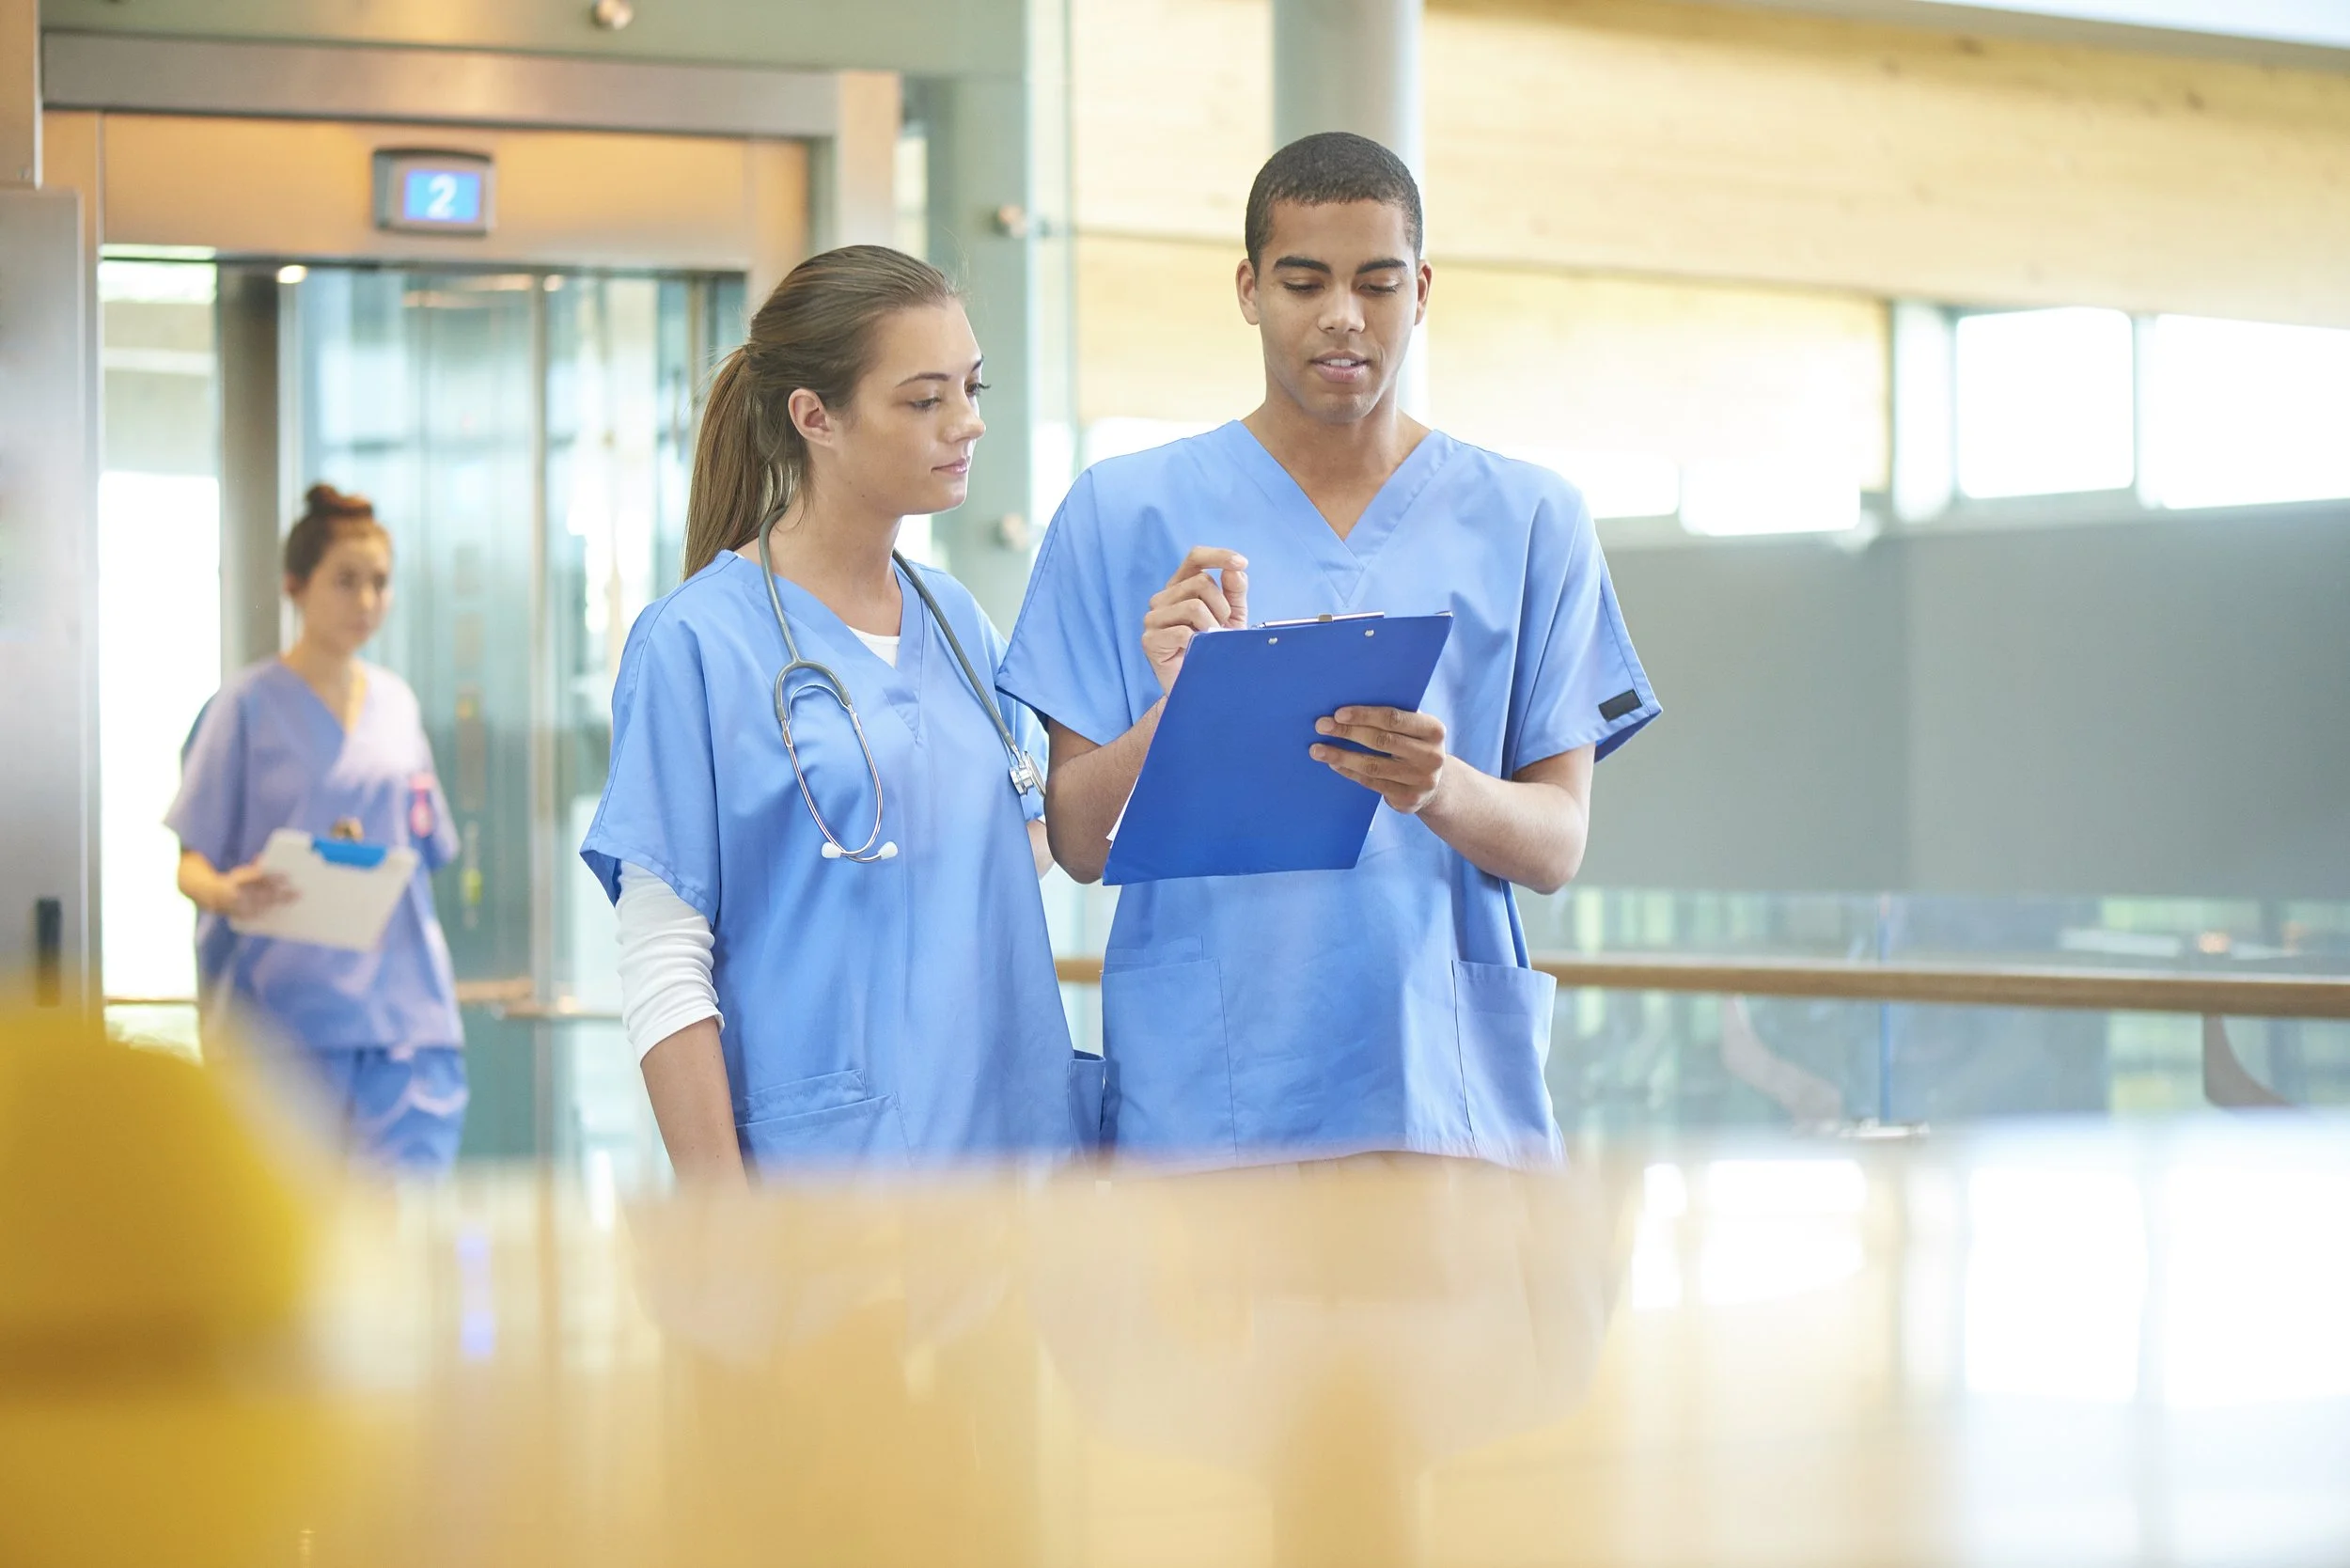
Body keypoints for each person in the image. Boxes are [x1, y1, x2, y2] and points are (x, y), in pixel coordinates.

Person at [998, 133, 1660, 1168]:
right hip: (1204, 1101)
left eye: (1376, 283)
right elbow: (1078, 845)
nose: (1342, 315)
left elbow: (1555, 847)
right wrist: (1181, 709)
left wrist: (1437, 786)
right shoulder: (1119, 513)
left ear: (1422, 291)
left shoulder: (1533, 521)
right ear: (1249, 289)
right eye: (1303, 282)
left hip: (1440, 1095)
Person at [580, 245, 1078, 1183]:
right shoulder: (696, 642)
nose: (967, 424)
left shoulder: (956, 619)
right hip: (820, 1178)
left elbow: (1002, 854)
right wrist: (720, 1211)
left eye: (972, 388)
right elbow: (661, 952)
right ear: (816, 417)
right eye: (924, 400)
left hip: (1003, 1162)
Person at [168, 484, 468, 1173]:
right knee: (294, 1262)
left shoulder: (397, 704)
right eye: (345, 582)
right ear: (295, 587)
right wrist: (227, 893)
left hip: (403, 1024)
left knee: (397, 1255)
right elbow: (190, 865)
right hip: (280, 1033)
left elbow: (425, 851)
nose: (366, 602)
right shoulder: (243, 706)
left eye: (379, 584)